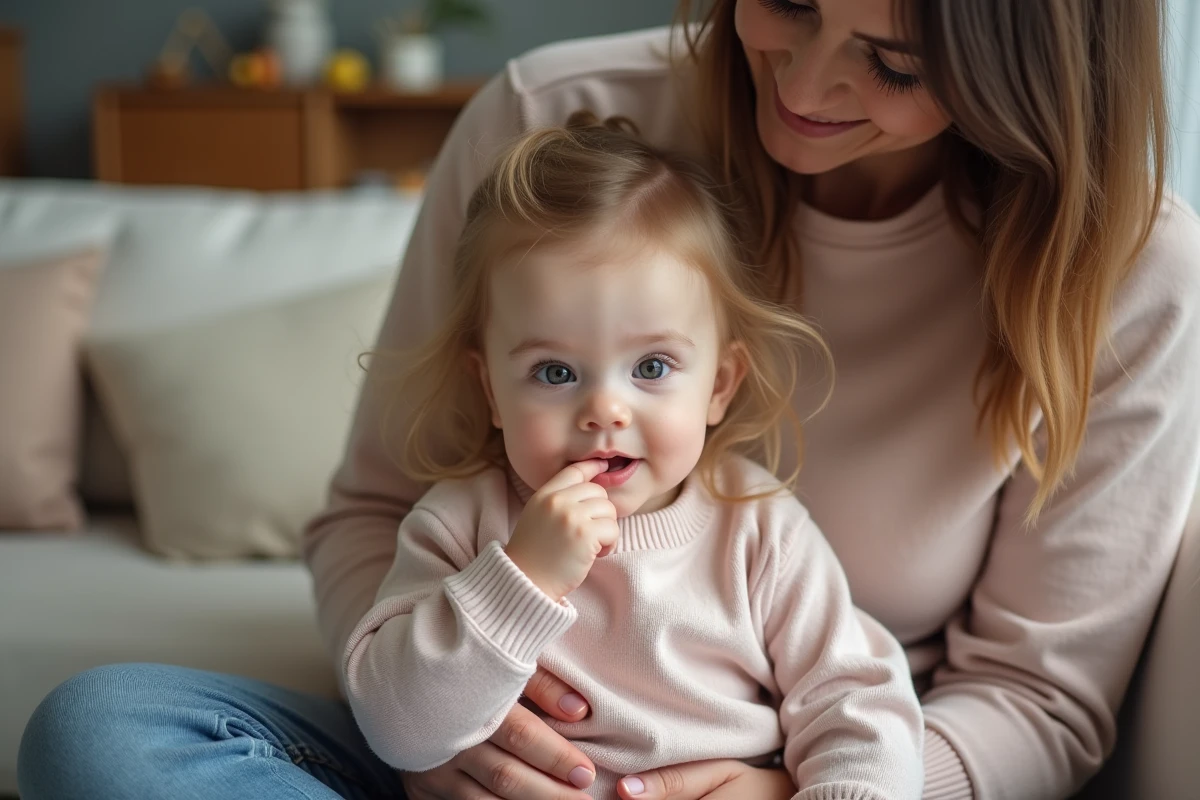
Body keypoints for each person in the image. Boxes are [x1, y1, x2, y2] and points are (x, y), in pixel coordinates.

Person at [17, 0, 1200, 798]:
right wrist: (450, 735)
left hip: (776, 768)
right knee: (100, 726)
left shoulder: (761, 524)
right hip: (463, 764)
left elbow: (994, 696)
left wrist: (797, 790)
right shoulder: (549, 134)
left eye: (893, 61)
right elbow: (375, 555)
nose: (809, 76)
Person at [343, 113, 924, 800]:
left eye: (651, 366)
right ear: (491, 391)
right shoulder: (461, 521)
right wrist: (520, 581)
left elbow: (859, 708)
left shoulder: (758, 527)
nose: (605, 410)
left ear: (719, 385)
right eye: (555, 373)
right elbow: (396, 729)